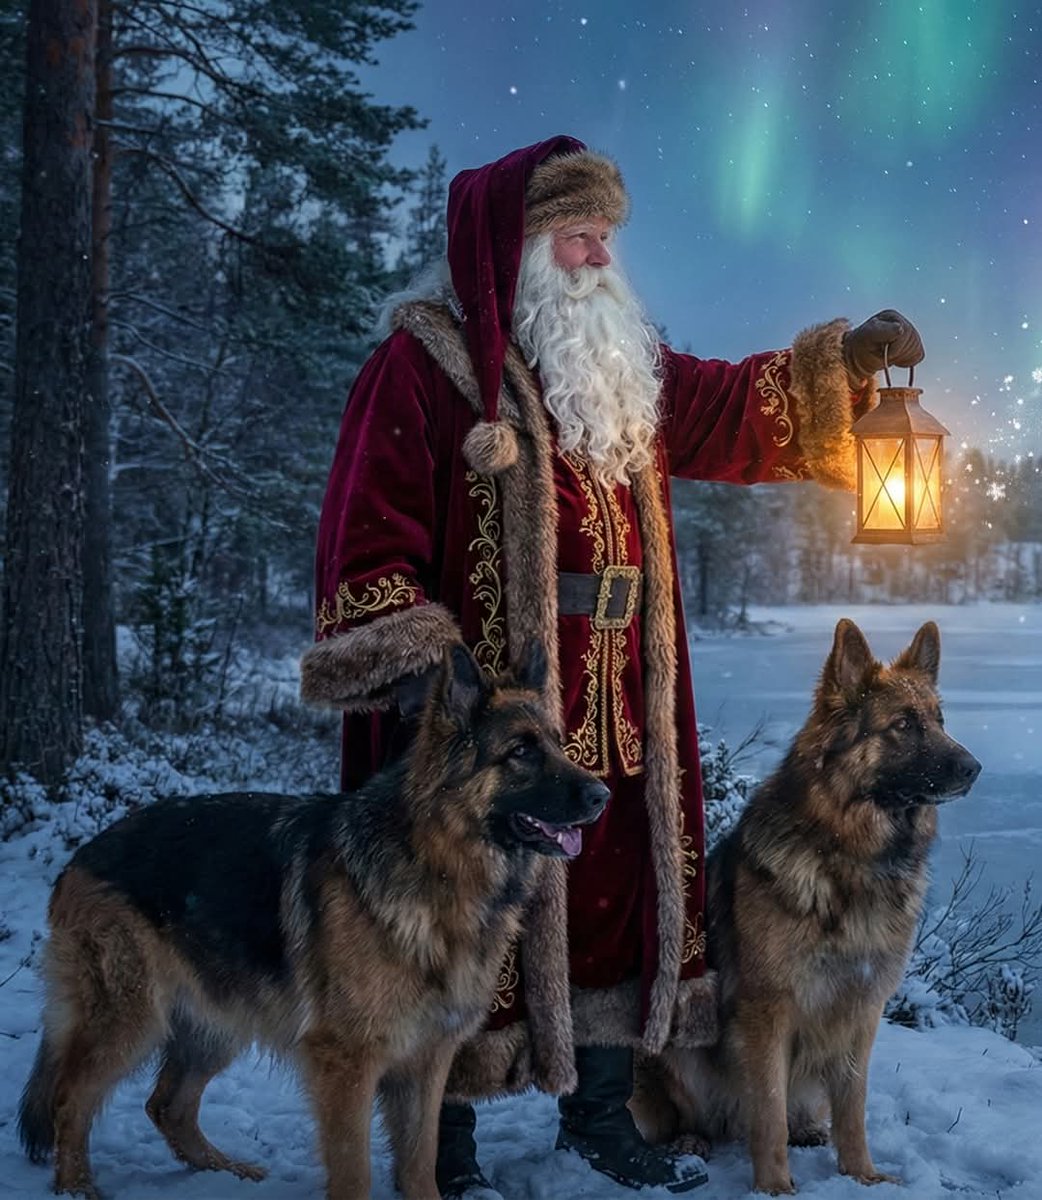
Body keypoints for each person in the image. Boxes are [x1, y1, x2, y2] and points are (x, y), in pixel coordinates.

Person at [300, 135, 923, 1199]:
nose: (596, 259)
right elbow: (368, 531)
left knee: (615, 890)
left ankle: (599, 1112)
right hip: (487, 717)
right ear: (511, 248)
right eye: (575, 237)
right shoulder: (426, 366)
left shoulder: (621, 358)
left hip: (626, 688)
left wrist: (846, 368)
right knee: (457, 910)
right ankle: (440, 1138)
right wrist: (420, 657)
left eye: (603, 239)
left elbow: (729, 407)